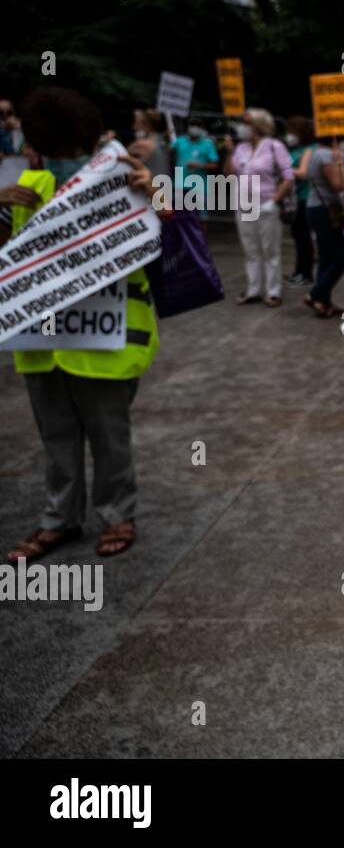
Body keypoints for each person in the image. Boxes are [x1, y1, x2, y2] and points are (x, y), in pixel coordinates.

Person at [3, 88, 163, 564]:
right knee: (55, 436)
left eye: (72, 151)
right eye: (56, 152)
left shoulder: (125, 181)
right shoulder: (28, 183)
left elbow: (177, 244)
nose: (64, 160)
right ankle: (59, 518)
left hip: (106, 341)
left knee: (109, 437)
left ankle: (116, 516)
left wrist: (159, 196)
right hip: (41, 342)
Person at [226, 107, 295, 307]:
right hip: (244, 204)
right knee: (250, 250)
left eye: (246, 123)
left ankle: (273, 291)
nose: (242, 127)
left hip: (266, 204)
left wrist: (274, 200)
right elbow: (229, 175)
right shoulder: (241, 148)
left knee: (270, 250)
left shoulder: (275, 146)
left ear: (257, 125)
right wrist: (230, 154)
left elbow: (288, 177)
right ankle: (253, 289)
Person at [302, 137, 344, 317]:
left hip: (318, 209)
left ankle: (323, 302)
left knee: (326, 257)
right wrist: (341, 164)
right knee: (343, 257)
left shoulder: (317, 152)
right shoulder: (325, 155)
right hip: (324, 211)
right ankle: (315, 294)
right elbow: (339, 185)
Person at [284, 115, 316, 286]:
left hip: (306, 197)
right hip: (294, 199)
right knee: (297, 235)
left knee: (303, 236)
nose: (289, 136)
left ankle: (306, 273)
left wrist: (284, 170)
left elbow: (303, 173)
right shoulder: (292, 150)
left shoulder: (310, 149)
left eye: (292, 132)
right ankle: (299, 270)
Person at [171, 118, 221, 222]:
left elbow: (215, 165)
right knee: (179, 218)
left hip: (200, 187)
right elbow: (168, 150)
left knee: (201, 219)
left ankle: (201, 238)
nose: (194, 128)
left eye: (197, 126)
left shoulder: (208, 144)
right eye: (192, 125)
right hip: (180, 186)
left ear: (201, 129)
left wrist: (200, 166)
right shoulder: (180, 141)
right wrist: (167, 135)